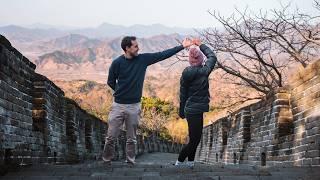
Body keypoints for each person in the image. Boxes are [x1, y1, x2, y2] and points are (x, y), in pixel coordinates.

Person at [103, 36, 194, 165]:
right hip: (118, 105)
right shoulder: (117, 63)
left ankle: (130, 162)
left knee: (131, 138)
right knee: (111, 137)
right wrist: (121, 91)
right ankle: (106, 161)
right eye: (135, 46)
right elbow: (110, 81)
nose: (138, 48)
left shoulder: (142, 59)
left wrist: (182, 46)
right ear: (127, 48)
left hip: (134, 105)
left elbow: (162, 55)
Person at [176, 38, 217, 168]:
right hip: (196, 110)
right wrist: (201, 45)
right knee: (195, 139)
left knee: (194, 137)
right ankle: (179, 161)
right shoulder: (204, 71)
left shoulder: (185, 74)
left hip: (190, 109)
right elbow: (212, 56)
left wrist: (181, 111)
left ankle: (191, 162)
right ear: (200, 60)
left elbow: (182, 94)